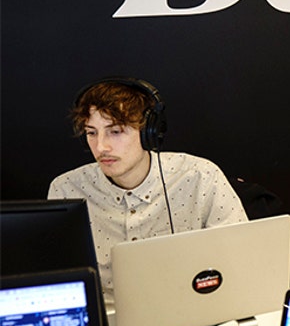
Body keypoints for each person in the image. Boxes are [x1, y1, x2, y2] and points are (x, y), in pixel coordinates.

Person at [47, 78, 247, 304]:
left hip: (191, 315)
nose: (101, 146)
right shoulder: (66, 190)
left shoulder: (201, 176)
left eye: (115, 131)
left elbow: (240, 263)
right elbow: (59, 287)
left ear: (148, 132)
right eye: (92, 133)